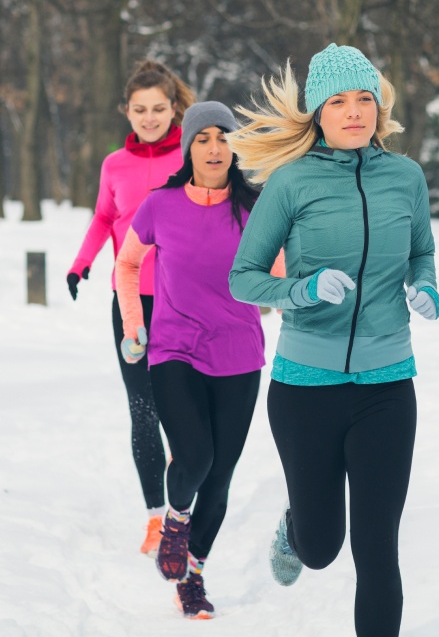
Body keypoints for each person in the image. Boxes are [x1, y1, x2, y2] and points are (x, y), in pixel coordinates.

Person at [226, 44, 439, 637]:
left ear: (379, 107)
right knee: (322, 548)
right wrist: (302, 290)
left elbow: (421, 251)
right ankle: (296, 528)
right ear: (318, 113)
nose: (354, 111)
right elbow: (243, 278)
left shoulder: (406, 177)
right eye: (339, 101)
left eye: (364, 99)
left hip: (387, 386)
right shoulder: (292, 183)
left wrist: (425, 285)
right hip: (305, 389)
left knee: (378, 549)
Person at [115, 101, 283, 619]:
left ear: (235, 147)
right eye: (203, 138)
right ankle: (175, 517)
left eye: (223, 137)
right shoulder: (160, 205)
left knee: (219, 476)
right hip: (174, 350)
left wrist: (291, 296)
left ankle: (192, 575)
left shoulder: (256, 210)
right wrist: (133, 324)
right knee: (194, 457)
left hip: (238, 355)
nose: (214, 148)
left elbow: (279, 281)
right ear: (188, 147)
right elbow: (127, 263)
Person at [66, 59, 194, 556]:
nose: (149, 118)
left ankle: (184, 511)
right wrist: (80, 264)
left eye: (158, 108)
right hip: (131, 302)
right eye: (140, 110)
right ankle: (156, 519)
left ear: (174, 107)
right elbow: (104, 217)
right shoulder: (114, 165)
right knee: (143, 412)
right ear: (127, 111)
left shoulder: (192, 155)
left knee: (183, 411)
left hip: (186, 302)